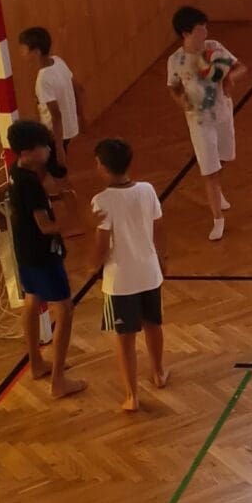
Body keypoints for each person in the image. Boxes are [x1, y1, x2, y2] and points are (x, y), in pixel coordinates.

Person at [6, 118, 82, 400]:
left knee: (32, 299)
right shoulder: (31, 185)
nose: (48, 150)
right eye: (43, 147)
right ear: (28, 152)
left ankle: (36, 363)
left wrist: (56, 197)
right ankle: (59, 381)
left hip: (25, 251)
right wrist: (72, 217)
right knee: (65, 310)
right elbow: (45, 226)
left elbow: (32, 208)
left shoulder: (16, 171)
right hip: (43, 255)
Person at [92, 136, 167, 412]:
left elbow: (102, 244)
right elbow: (159, 228)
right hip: (149, 272)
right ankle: (159, 372)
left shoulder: (101, 201)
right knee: (153, 325)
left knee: (125, 338)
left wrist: (92, 265)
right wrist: (162, 259)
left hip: (121, 281)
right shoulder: (147, 190)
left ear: (103, 167)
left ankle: (131, 395)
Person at [167, 5, 247, 241]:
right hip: (199, 121)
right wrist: (182, 101)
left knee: (223, 158)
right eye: (200, 28)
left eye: (205, 26)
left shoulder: (215, 49)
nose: (205, 31)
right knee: (209, 169)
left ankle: (217, 190)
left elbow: (241, 68)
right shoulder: (176, 60)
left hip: (222, 114)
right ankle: (217, 219)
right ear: (186, 33)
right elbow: (174, 88)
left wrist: (229, 77)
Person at [18, 24, 81, 173]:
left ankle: (63, 186)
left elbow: (56, 115)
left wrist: (59, 149)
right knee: (47, 168)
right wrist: (81, 117)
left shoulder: (43, 79)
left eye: (24, 49)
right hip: (68, 129)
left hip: (54, 135)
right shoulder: (58, 61)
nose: (22, 52)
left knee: (56, 171)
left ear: (36, 52)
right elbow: (78, 88)